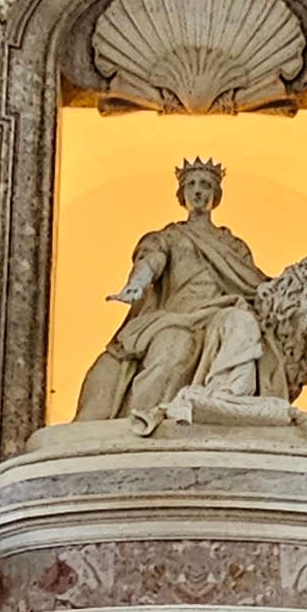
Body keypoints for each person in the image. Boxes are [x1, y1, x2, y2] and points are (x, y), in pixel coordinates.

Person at [74, 156, 269, 426]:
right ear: (182, 194)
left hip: (219, 316)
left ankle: (227, 407)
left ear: (216, 195)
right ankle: (139, 423)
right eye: (191, 185)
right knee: (172, 350)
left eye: (206, 185)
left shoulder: (234, 246)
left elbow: (255, 284)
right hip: (177, 318)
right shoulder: (170, 237)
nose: (198, 191)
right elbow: (152, 260)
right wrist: (137, 284)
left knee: (243, 325)